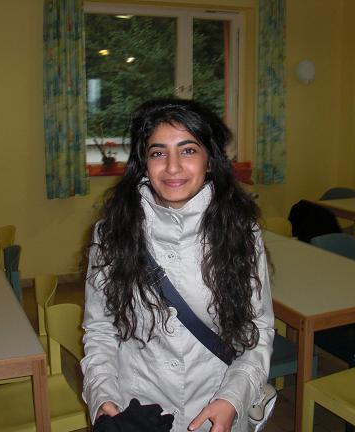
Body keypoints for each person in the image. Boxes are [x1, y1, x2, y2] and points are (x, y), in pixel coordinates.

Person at [81, 98, 275, 432]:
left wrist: (233, 398)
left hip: (216, 411)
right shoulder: (112, 234)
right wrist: (102, 398)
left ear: (209, 160)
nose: (172, 167)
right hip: (138, 413)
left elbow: (257, 330)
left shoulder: (242, 234)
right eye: (158, 153)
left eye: (188, 150)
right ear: (144, 163)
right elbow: (100, 329)